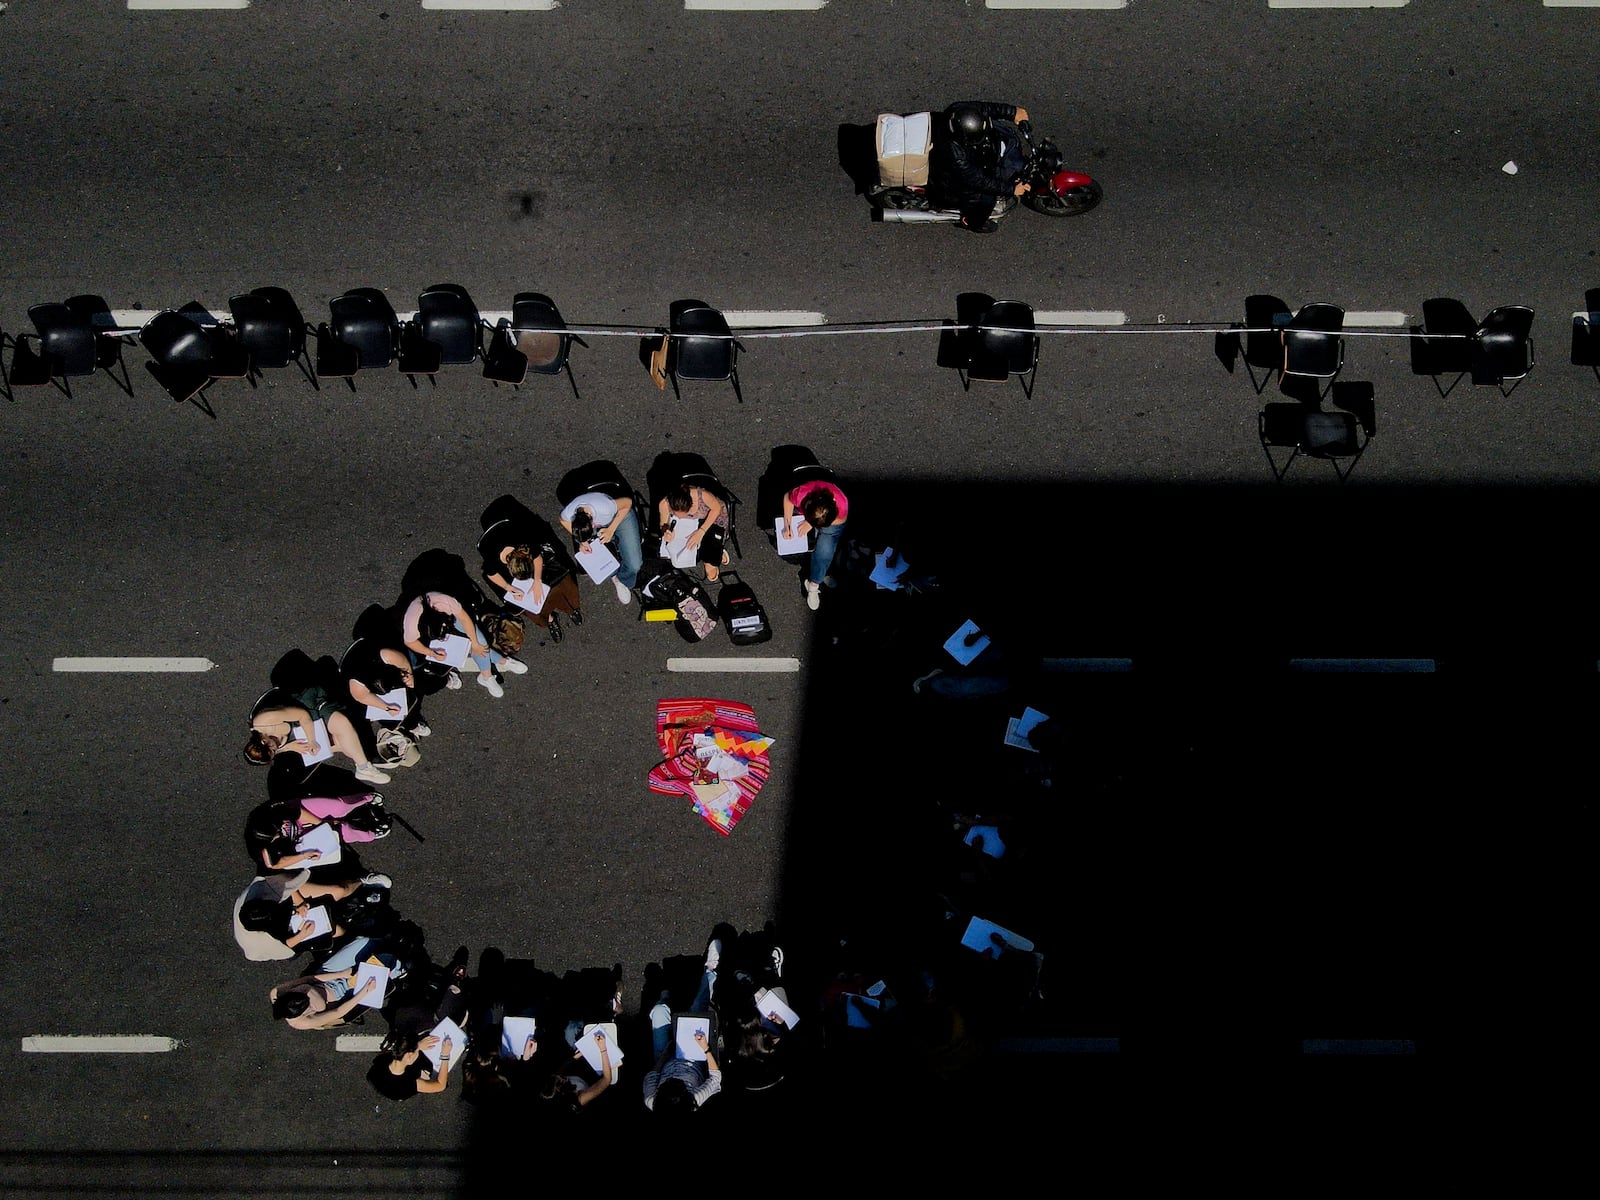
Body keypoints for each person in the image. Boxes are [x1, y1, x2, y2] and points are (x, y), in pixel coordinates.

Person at [477, 499, 582, 643]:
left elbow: (538, 557)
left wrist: (537, 581)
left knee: (558, 587)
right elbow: (490, 574)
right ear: (508, 566)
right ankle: (550, 618)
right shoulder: (491, 557)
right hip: (500, 547)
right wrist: (509, 587)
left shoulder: (523, 539)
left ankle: (570, 609)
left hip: (511, 534)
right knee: (529, 604)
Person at [244, 689, 390, 785]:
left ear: (263, 740)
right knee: (340, 741)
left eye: (272, 748)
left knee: (341, 722)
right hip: (306, 728)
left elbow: (303, 715)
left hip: (308, 711)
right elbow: (277, 750)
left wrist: (312, 740)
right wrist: (288, 747)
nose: (275, 748)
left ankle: (364, 765)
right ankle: (366, 761)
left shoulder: (266, 720)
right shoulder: (270, 747)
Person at [930, 101, 1033, 233]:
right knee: (986, 199)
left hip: (945, 149)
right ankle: (972, 222)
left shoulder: (957, 111)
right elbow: (978, 180)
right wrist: (1011, 188)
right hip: (947, 180)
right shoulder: (957, 156)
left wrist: (1012, 112)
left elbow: (984, 108)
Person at [401, 589, 522, 699]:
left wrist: (474, 643)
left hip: (450, 616)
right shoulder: (411, 622)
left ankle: (488, 675)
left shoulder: (445, 601)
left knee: (479, 642)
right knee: (473, 646)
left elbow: (464, 619)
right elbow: (410, 642)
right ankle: (498, 664)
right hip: (436, 622)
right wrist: (431, 653)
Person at [560, 489, 643, 606]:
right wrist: (582, 542)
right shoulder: (568, 513)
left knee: (635, 565)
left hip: (619, 516)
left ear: (592, 522)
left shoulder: (605, 507)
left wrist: (611, 529)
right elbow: (562, 520)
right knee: (594, 559)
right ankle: (613, 575)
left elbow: (627, 503)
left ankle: (623, 580)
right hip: (599, 522)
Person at [782, 476, 849, 611]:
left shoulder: (842, 505)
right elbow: (788, 498)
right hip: (818, 518)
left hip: (830, 522)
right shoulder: (801, 493)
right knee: (824, 552)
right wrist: (787, 524)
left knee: (824, 552)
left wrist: (810, 523)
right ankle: (820, 573)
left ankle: (813, 585)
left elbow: (840, 522)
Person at [658, 481, 730, 583]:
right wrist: (667, 531)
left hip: (711, 518)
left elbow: (716, 508)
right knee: (689, 547)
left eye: (683, 513)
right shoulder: (664, 504)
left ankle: (713, 555)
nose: (679, 516)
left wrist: (701, 531)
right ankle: (710, 550)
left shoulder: (702, 495)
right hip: (688, 523)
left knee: (711, 546)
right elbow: (663, 524)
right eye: (675, 513)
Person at [269, 966, 380, 1031]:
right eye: (310, 1003)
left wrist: (341, 974)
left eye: (302, 991)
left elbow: (309, 979)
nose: (308, 994)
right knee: (383, 970)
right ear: (303, 1013)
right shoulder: (303, 1022)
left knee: (362, 942)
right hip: (342, 993)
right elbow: (338, 1012)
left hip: (327, 978)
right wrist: (365, 991)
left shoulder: (277, 992)